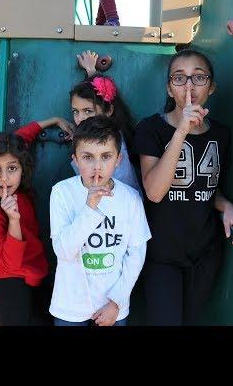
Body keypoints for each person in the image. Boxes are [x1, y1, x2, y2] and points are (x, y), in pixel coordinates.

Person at [134, 48, 233, 325]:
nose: (189, 86)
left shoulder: (221, 134)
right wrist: (182, 130)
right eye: (179, 78)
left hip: (205, 252)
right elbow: (155, 191)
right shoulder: (151, 129)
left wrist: (227, 206)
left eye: (198, 78)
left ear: (212, 86)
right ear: (168, 88)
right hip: (162, 254)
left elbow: (210, 189)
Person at [0, 117, 73, 325]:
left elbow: (19, 140)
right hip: (9, 283)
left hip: (35, 271)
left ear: (22, 167)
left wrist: (53, 121)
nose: (4, 178)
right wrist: (13, 219)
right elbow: (10, 263)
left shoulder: (14, 179)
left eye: (12, 169)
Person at [49, 116, 151, 326]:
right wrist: (89, 208)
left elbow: (136, 254)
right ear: (75, 160)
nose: (97, 167)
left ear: (118, 159)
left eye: (106, 156)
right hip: (70, 305)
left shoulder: (130, 198)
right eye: (88, 157)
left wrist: (116, 302)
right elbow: (64, 250)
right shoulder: (62, 193)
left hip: (112, 306)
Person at [57, 50, 142, 193]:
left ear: (108, 111)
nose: (81, 118)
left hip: (119, 205)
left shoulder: (113, 140)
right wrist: (91, 70)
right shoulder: (97, 131)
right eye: (75, 111)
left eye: (88, 111)